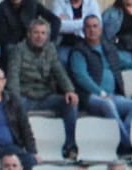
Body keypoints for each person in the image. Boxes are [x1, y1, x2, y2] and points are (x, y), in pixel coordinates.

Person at [66, 13, 132, 158]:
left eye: (95, 26)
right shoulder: (79, 51)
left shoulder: (109, 49)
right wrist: (100, 93)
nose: (92, 30)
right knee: (108, 104)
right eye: (88, 27)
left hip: (112, 96)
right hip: (89, 96)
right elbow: (81, 77)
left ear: (100, 29)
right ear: (83, 30)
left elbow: (127, 63)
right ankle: (127, 144)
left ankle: (122, 142)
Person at [8, 16, 81, 161]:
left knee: (71, 103)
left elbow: (59, 71)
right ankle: (19, 148)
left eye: (43, 33)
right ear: (29, 34)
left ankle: (70, 147)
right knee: (12, 109)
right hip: (25, 96)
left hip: (45, 96)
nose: (39, 36)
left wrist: (70, 90)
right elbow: (13, 77)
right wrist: (15, 100)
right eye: (36, 32)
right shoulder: (18, 50)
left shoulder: (50, 49)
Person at [0, 0, 53, 66]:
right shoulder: (3, 7)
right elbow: (3, 35)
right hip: (13, 45)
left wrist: (49, 39)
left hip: (33, 41)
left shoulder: (32, 2)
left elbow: (55, 20)